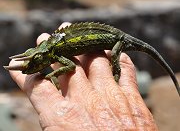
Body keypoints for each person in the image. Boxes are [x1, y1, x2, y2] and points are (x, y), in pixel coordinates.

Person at [8, 22, 158, 130]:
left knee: (115, 60)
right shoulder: (52, 50)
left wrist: (54, 73)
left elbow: (71, 66)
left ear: (44, 55)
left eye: (37, 60)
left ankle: (117, 74)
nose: (36, 64)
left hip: (118, 40)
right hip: (111, 37)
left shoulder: (56, 52)